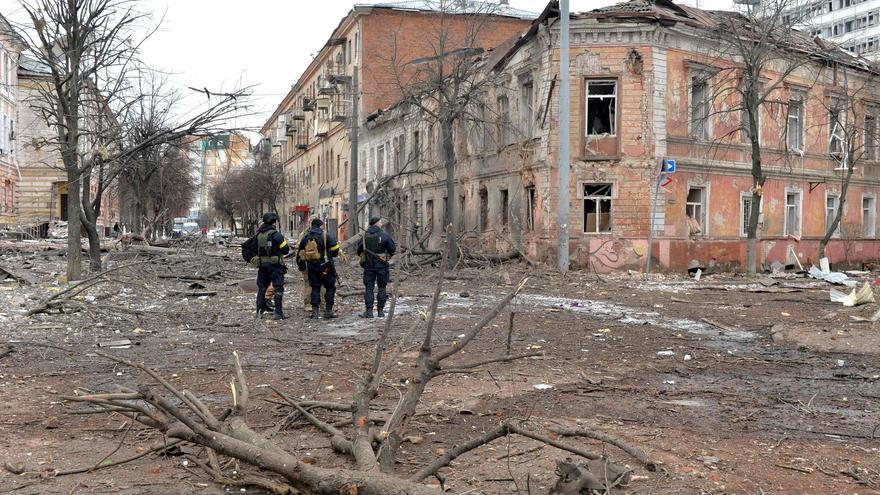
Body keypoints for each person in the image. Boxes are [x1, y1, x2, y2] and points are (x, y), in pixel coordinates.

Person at [296, 218, 340, 319]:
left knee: (315, 288)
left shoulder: (306, 237)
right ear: (321, 226)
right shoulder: (326, 236)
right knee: (329, 288)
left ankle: (315, 312)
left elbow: (300, 255)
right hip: (326, 267)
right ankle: (328, 311)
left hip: (312, 267)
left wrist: (302, 267)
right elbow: (335, 251)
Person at [357, 217, 396, 318]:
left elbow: (359, 250)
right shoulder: (384, 235)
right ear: (376, 223)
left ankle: (369, 312)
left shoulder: (364, 235)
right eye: (380, 222)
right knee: (382, 288)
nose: (381, 223)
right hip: (382, 265)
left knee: (369, 288)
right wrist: (386, 255)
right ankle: (380, 311)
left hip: (368, 265)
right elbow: (392, 248)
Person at [255, 212, 290, 320]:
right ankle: (278, 313)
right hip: (275, 266)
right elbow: (285, 250)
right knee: (278, 288)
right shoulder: (276, 235)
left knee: (262, 288)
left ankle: (259, 312)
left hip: (262, 266)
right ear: (274, 222)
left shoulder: (258, 234)